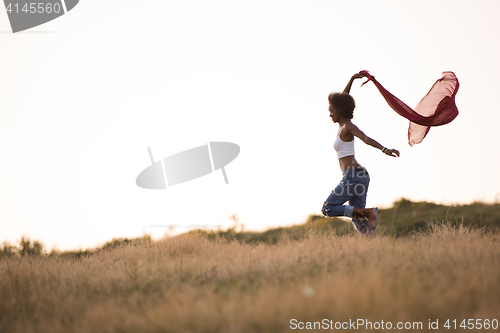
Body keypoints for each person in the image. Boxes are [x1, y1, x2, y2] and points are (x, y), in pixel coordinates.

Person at [321, 73, 400, 235]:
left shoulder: (348, 127)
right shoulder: (342, 126)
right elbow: (343, 98)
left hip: (353, 176)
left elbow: (365, 137)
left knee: (328, 208)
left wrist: (385, 149)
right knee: (359, 222)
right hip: (359, 177)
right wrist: (351, 80)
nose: (329, 113)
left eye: (331, 110)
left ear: (339, 110)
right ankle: (373, 245)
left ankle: (368, 213)